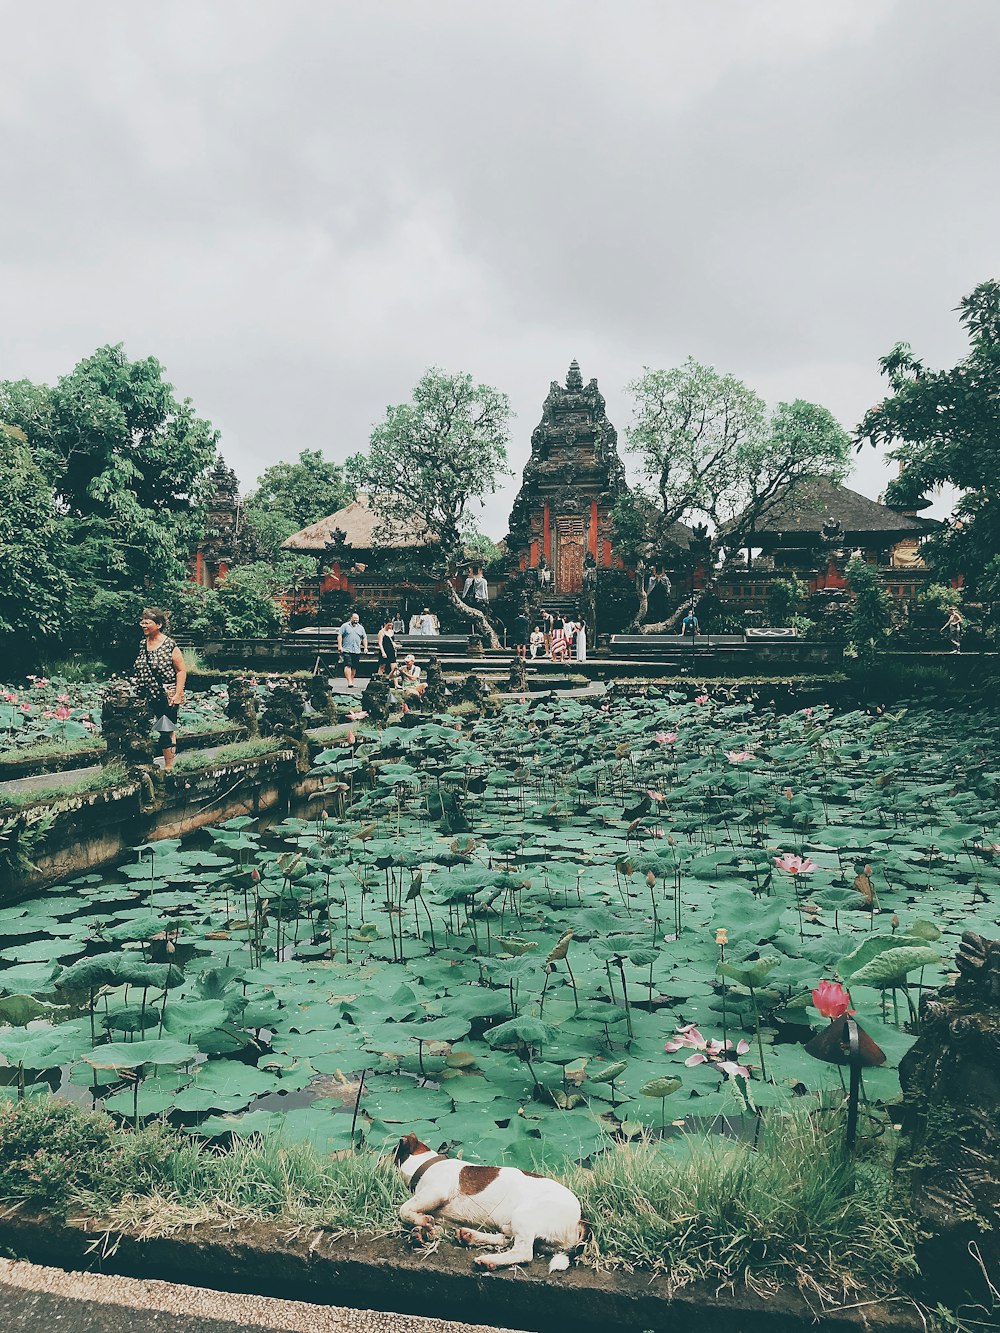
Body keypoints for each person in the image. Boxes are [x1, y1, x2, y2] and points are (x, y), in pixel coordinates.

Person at [134, 608, 186, 771]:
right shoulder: (143, 644)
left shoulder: (169, 644)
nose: (143, 625)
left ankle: (169, 766)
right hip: (145, 694)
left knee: (166, 729)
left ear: (158, 624)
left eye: (147, 622)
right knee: (141, 727)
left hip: (165, 695)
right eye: (142, 622)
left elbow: (181, 670)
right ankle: (144, 762)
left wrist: (178, 694)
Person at [336, 612, 368, 688]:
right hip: (347, 649)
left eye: (357, 619)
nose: (356, 620)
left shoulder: (361, 628)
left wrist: (365, 647)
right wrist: (340, 646)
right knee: (348, 665)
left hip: (357, 649)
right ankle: (349, 681)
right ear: (351, 618)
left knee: (354, 666)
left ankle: (352, 681)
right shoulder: (345, 626)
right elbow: (340, 635)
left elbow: (364, 637)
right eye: (354, 619)